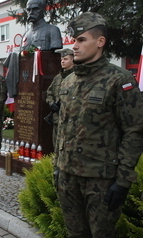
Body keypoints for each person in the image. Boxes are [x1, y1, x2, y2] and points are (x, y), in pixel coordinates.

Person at [55, 12, 143, 237]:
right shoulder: (68, 81)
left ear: (100, 42)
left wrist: (123, 181)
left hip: (100, 180)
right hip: (68, 177)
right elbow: (63, 128)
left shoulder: (119, 80)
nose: (74, 46)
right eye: (73, 40)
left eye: (81, 40)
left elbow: (134, 130)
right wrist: (58, 167)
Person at [45, 48, 74, 149]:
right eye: (62, 59)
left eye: (65, 59)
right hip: (57, 119)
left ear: (73, 60)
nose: (62, 61)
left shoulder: (77, 77)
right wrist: (51, 103)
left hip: (69, 121)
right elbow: (49, 93)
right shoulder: (58, 77)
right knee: (56, 146)